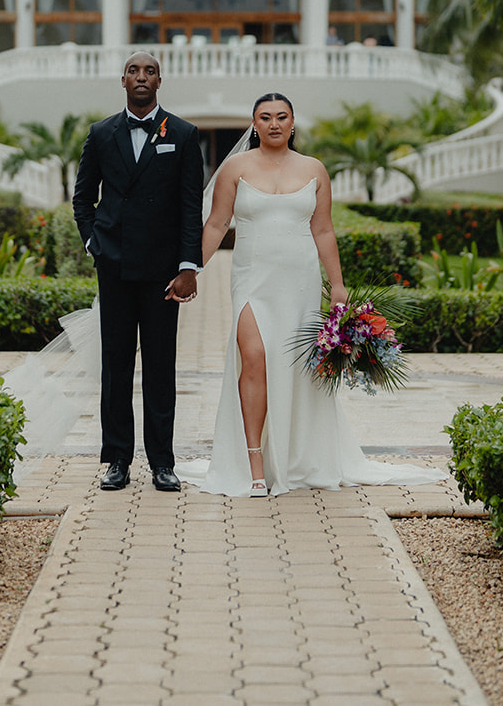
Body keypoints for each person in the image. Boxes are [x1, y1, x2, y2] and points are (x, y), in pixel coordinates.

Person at [176, 94, 443, 498]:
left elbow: (323, 230)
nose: (274, 124)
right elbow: (215, 224)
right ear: (254, 124)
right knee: (253, 357)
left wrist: (337, 286)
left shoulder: (314, 169)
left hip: (299, 281)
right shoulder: (235, 167)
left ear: (293, 123)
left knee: (297, 368)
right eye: (265, 117)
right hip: (250, 278)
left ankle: (297, 454)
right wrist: (190, 270)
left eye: (281, 117)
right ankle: (254, 464)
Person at [71, 52, 204, 492]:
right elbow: (83, 198)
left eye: (149, 71)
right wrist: (94, 242)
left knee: (161, 368)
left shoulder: (183, 135)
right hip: (115, 267)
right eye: (134, 71)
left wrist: (189, 267)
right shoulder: (101, 133)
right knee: (116, 366)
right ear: (122, 80)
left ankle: (162, 462)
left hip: (165, 273)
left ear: (160, 80)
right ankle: (117, 460)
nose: (141, 77)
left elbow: (191, 208)